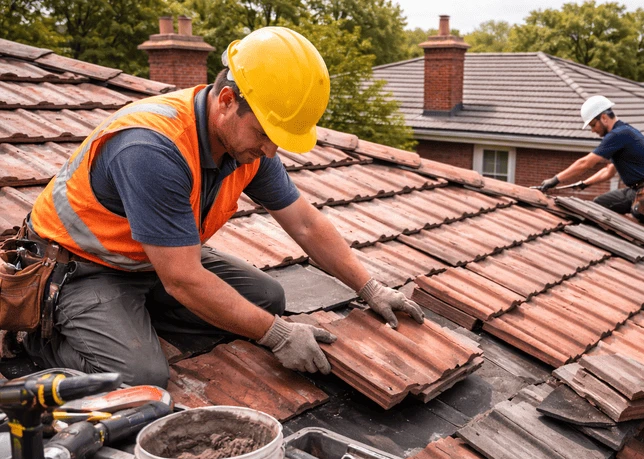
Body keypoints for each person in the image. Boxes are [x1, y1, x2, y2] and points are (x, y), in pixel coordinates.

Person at [18, 27, 423, 387]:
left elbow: (304, 224)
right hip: (82, 268)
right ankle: (44, 334)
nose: (270, 149)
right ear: (227, 100)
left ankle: (131, 318)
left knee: (267, 299)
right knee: (142, 379)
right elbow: (182, 279)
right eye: (265, 133)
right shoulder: (151, 149)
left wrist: (369, 287)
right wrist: (277, 335)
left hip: (149, 260)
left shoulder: (245, 146)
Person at [538, 95, 644, 223]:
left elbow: (585, 163)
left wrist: (555, 180)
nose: (593, 130)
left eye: (593, 125)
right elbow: (609, 172)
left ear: (604, 118)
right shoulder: (624, 132)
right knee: (600, 204)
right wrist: (585, 184)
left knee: (636, 225)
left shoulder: (618, 134)